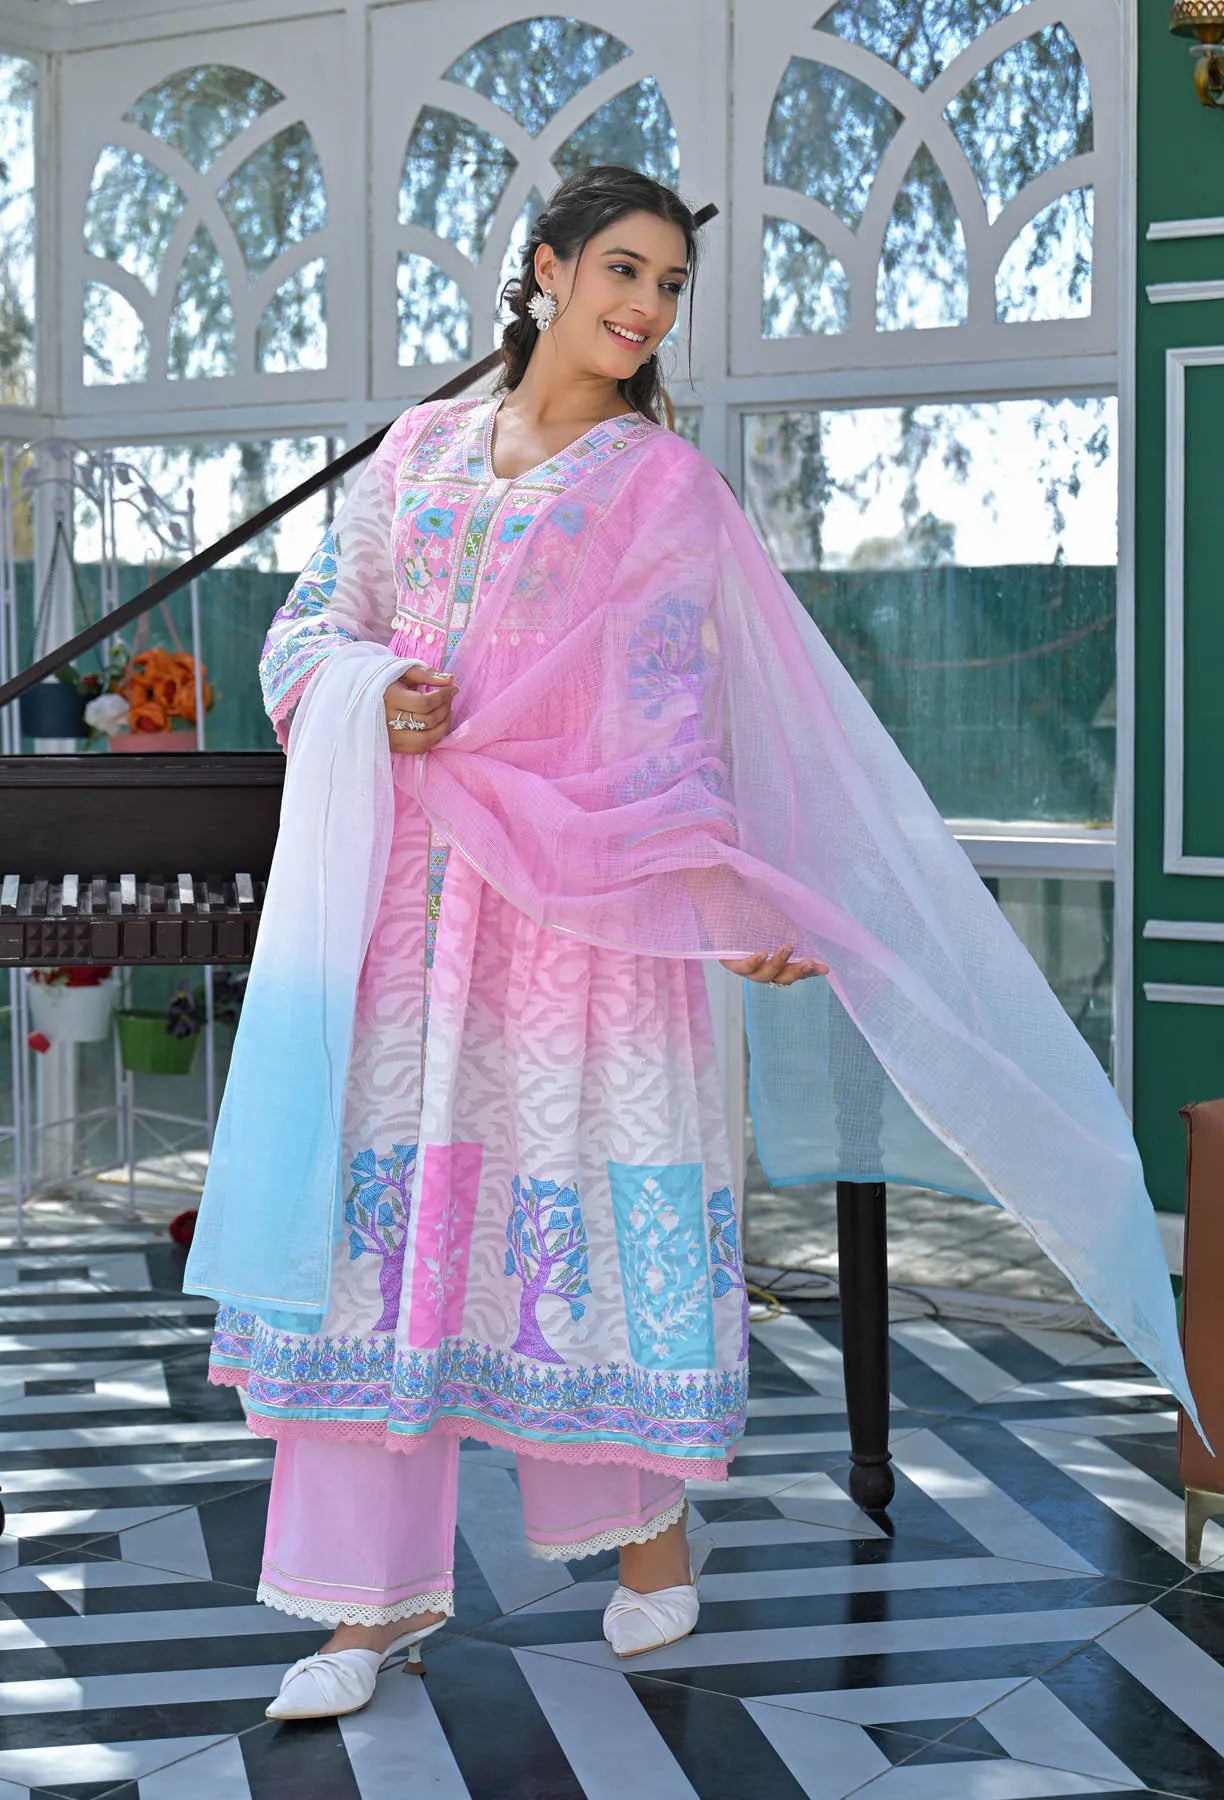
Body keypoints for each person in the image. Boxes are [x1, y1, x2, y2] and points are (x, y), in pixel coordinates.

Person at [186, 164, 1196, 1723]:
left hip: (586, 920)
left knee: (582, 1211)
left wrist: (725, 900)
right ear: (547, 270)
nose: (647, 306)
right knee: (382, 1238)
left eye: (669, 285)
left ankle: (648, 1542)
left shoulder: (658, 484)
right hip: (406, 907)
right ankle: (361, 1605)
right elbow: (309, 624)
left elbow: (677, 718)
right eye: (624, 270)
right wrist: (371, 692)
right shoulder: (418, 449)